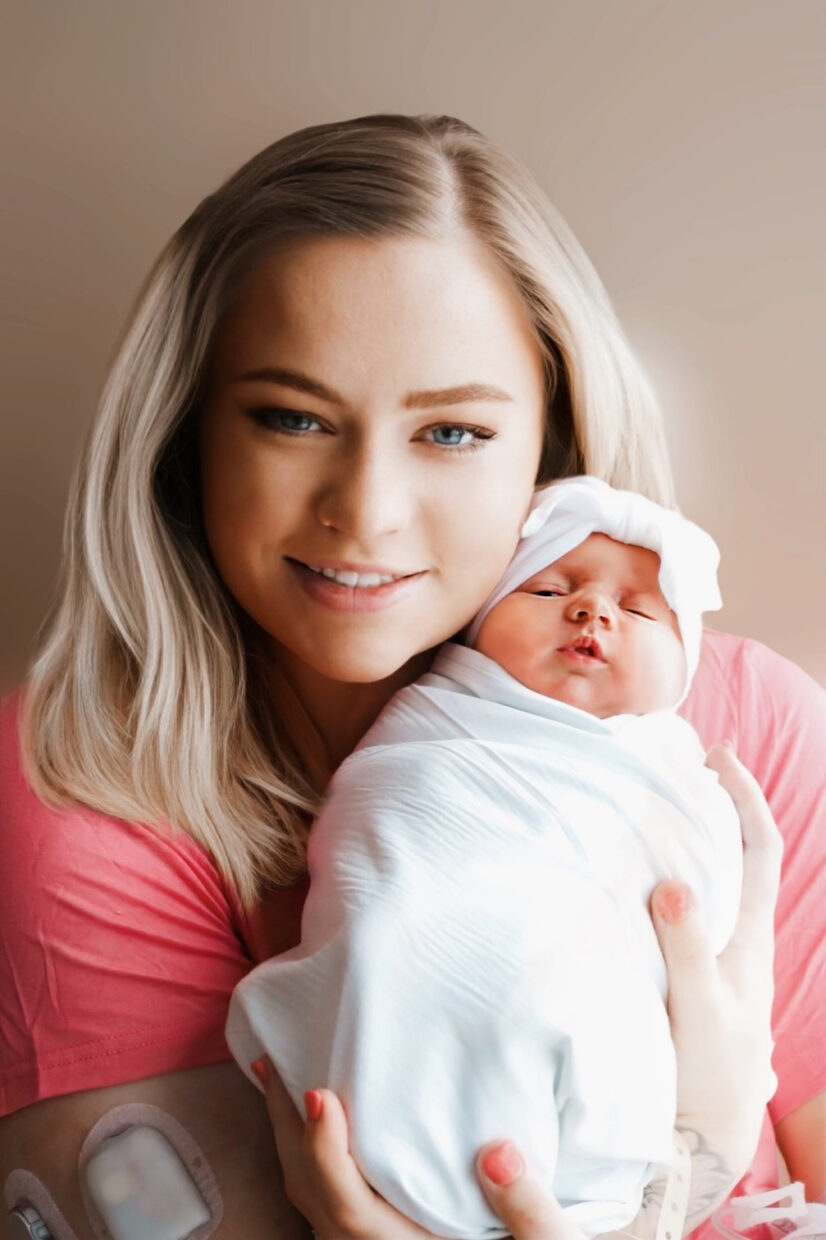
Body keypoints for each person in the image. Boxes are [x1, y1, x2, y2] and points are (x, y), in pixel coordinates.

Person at [0, 113, 820, 1240]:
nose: (366, 510)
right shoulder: (86, 775)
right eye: (291, 417)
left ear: (557, 447)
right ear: (186, 438)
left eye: (451, 434)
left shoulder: (751, 738)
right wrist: (687, 1163)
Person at [225, 474, 749, 1239]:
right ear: (476, 628)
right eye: (545, 590)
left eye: (637, 608)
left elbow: (695, 913)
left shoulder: (677, 776)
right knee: (391, 936)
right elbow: (381, 842)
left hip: (578, 1015)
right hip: (416, 952)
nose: (591, 610)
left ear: (685, 665)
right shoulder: (434, 722)